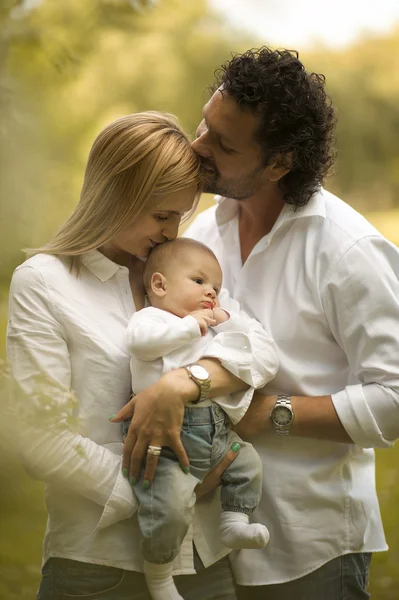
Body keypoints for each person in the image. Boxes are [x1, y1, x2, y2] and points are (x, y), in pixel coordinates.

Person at [178, 46, 399, 599]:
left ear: (278, 163)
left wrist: (268, 414)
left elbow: (395, 399)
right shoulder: (201, 235)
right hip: (207, 543)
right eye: (204, 124)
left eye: (223, 144)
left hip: (310, 548)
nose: (197, 147)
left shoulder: (348, 251)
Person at [7, 111, 253, 600]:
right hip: (99, 566)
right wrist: (161, 496)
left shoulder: (179, 267)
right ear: (114, 194)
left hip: (204, 562)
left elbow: (253, 346)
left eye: (181, 215)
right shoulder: (43, 283)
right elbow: (40, 437)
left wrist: (188, 383)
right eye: (162, 215)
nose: (172, 230)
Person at [123, 237, 278, 600]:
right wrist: (192, 326)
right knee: (171, 506)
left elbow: (254, 346)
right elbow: (141, 344)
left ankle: (234, 520)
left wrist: (227, 318)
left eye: (216, 288)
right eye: (199, 282)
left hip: (213, 425)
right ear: (160, 285)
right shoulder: (151, 319)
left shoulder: (210, 322)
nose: (211, 293)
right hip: (164, 435)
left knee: (249, 463)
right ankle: (159, 573)